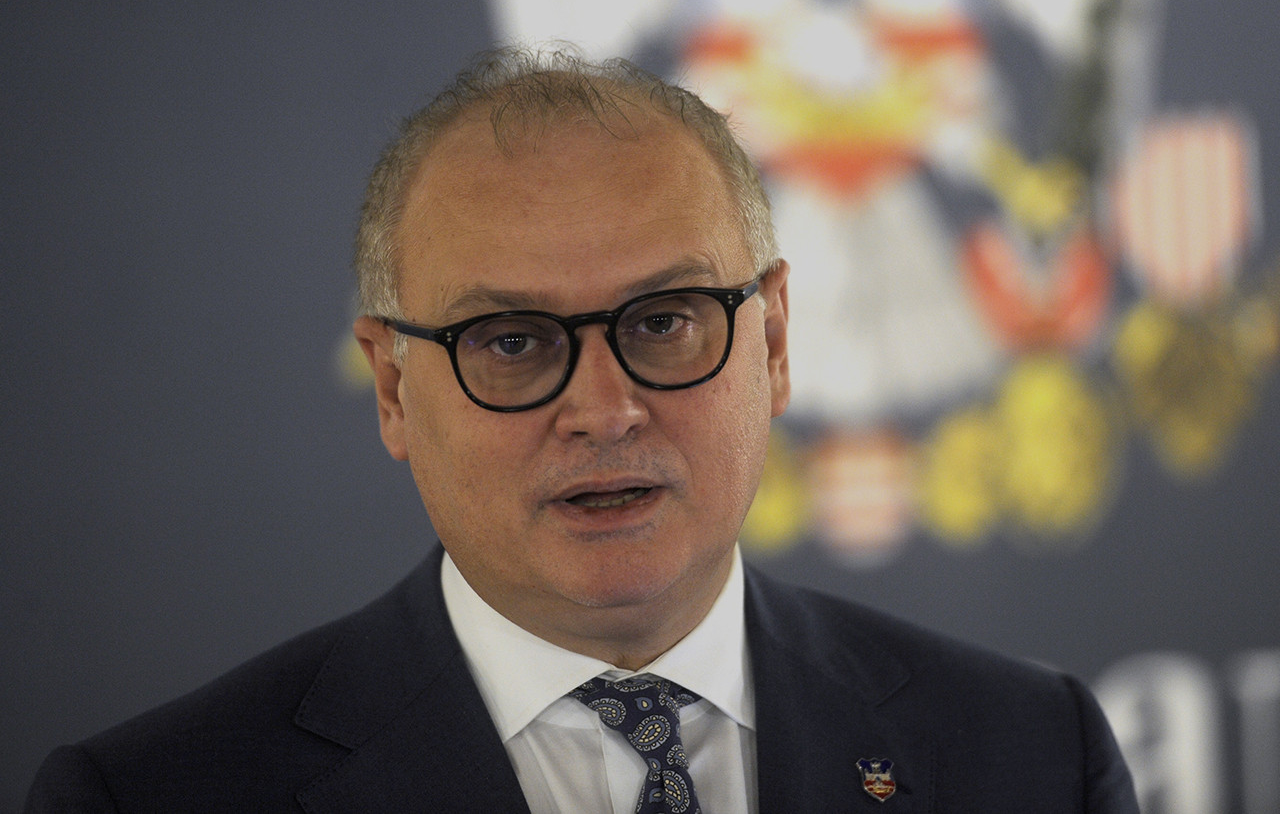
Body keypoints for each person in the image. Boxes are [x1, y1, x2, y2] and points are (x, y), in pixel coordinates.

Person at [25, 45, 1138, 813]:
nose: (604, 410)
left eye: (664, 321)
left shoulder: (1033, 755)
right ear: (393, 390)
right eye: (511, 340)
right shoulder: (152, 796)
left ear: (772, 342)